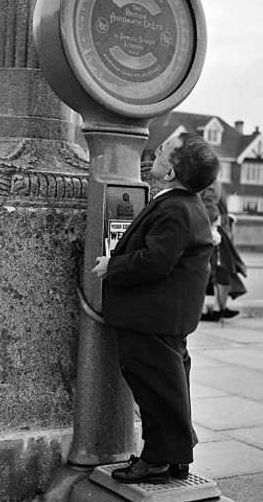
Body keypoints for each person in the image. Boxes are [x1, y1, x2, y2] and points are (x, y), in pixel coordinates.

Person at [92, 132, 220, 484]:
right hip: (167, 317)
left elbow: (155, 262)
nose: (157, 152)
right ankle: (178, 454)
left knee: (154, 390)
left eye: (163, 152)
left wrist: (111, 266)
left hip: (151, 319)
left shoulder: (175, 208)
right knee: (171, 387)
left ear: (169, 174)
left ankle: (157, 460)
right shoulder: (187, 204)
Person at [200, 184, 247, 321]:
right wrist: (215, 224)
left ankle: (216, 308)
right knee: (219, 269)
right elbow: (209, 203)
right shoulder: (211, 180)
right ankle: (216, 309)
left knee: (212, 270)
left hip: (213, 227)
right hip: (214, 229)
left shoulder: (209, 179)